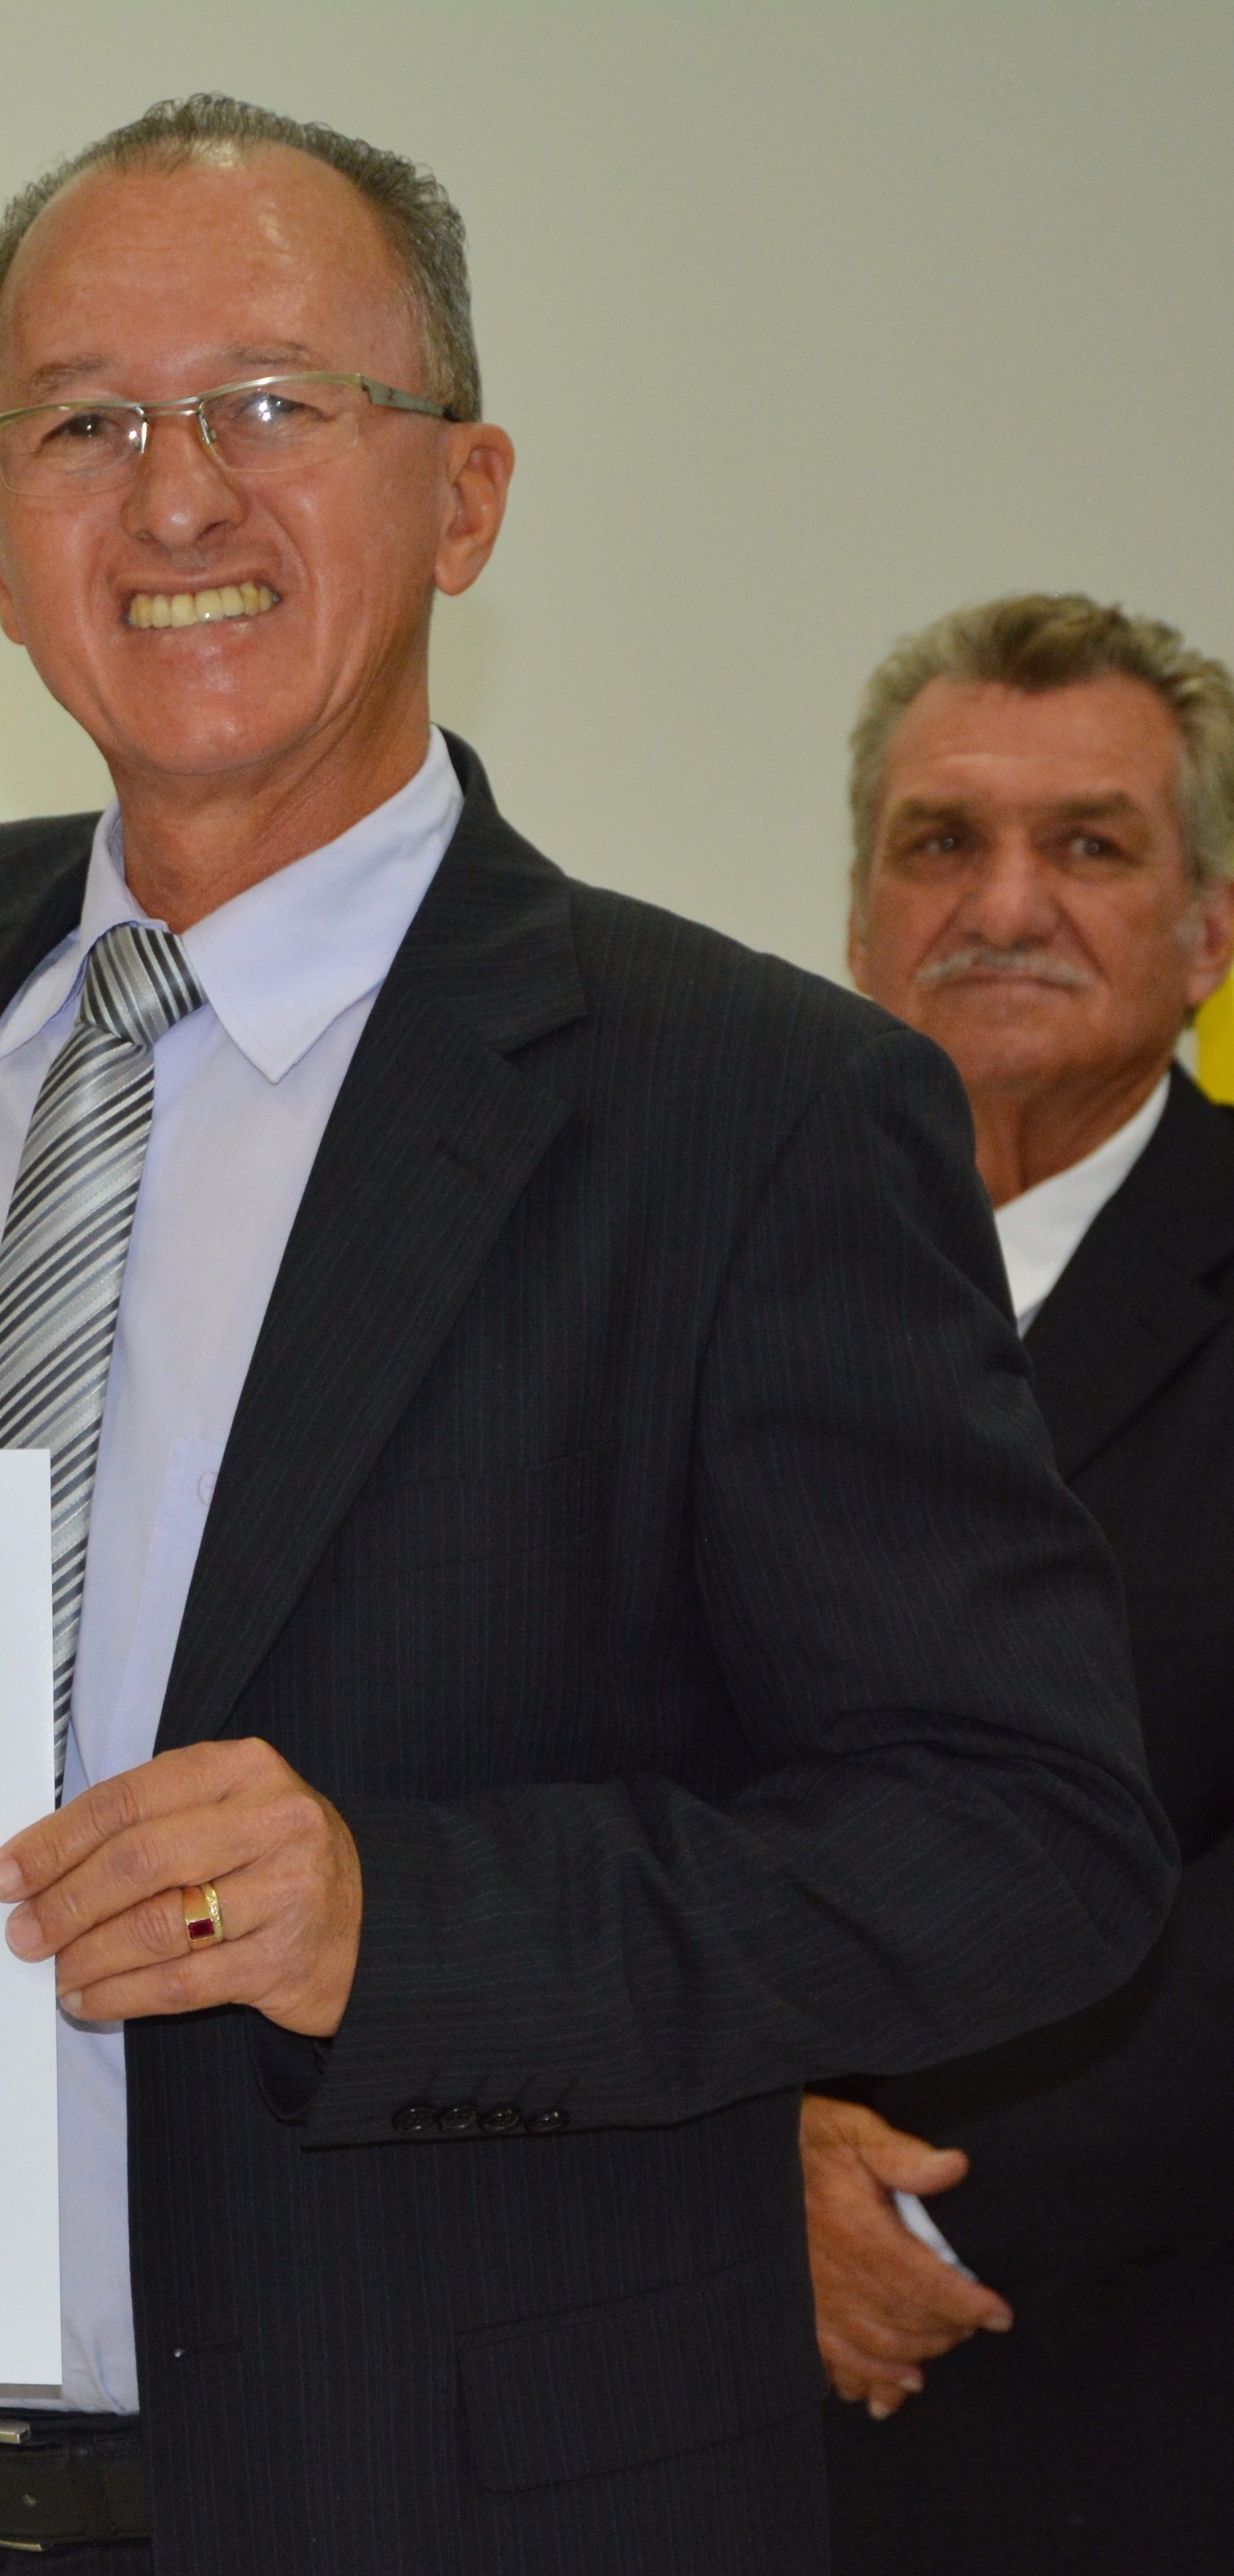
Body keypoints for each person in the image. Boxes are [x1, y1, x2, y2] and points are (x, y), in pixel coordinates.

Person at [0, 97, 1173, 2574]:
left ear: (464, 496)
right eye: (85, 421)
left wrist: (405, 1916)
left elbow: (1024, 1841)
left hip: (436, 2504)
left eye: (273, 403)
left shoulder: (749, 1110)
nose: (176, 495)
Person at [811, 594, 1234, 2572]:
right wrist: (750, 2166)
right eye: (938, 841)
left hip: (1135, 2398)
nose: (1002, 902)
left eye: (1087, 844)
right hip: (689, 2386)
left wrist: (903, 2211)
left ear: (1208, 932)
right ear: (856, 922)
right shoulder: (689, 1275)